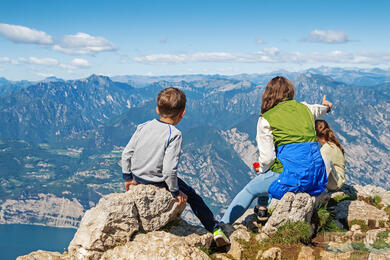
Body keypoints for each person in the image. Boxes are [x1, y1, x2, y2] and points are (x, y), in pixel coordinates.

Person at [121, 87, 230, 247]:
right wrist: (175, 191)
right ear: (182, 113)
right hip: (158, 181)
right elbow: (169, 170)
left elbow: (126, 153)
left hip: (137, 177)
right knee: (194, 197)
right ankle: (215, 229)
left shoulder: (143, 126)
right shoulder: (174, 134)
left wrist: (128, 178)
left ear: (157, 109)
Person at [221, 76, 332, 225]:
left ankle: (221, 225)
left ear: (268, 95)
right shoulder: (306, 108)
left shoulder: (266, 119)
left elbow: (267, 159)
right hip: (316, 176)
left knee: (250, 189)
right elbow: (321, 109)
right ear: (290, 92)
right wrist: (327, 106)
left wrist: (261, 168)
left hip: (294, 177)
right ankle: (262, 211)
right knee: (271, 169)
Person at [315, 120, 346, 191]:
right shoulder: (332, 144)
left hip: (335, 183)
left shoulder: (326, 149)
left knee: (324, 162)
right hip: (337, 180)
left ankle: (318, 187)